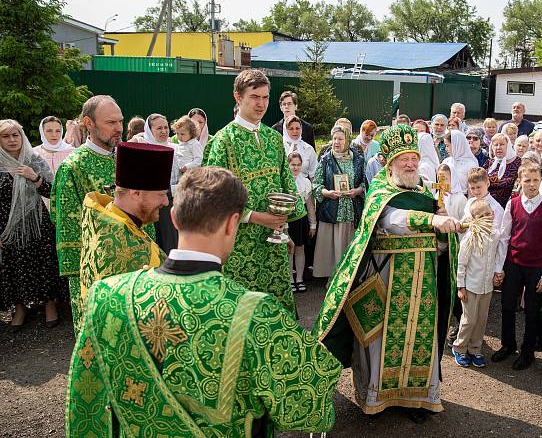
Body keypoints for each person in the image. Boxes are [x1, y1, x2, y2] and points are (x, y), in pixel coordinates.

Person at [65, 166, 342, 437]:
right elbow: (308, 411)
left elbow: (86, 404)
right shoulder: (256, 312)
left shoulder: (106, 297)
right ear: (233, 222)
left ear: (173, 218)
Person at [314, 124, 461, 423]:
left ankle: (417, 398)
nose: (409, 164)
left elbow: (441, 246)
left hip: (424, 281)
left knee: (421, 338)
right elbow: (393, 220)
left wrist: (446, 232)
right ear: (390, 161)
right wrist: (431, 220)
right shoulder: (381, 191)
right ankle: (378, 397)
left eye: (413, 158)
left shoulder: (425, 191)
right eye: (403, 159)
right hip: (387, 278)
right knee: (379, 340)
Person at [203, 70, 306, 314]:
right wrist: (257, 217)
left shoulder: (273, 139)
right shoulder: (223, 141)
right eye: (254, 97)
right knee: (242, 314)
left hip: (273, 243)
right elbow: (214, 197)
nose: (261, 104)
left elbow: (285, 187)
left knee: (274, 313)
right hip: (239, 246)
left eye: (265, 97)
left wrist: (286, 230)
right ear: (237, 97)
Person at [75, 142, 172, 334]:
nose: (166, 202)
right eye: (161, 194)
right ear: (136, 193)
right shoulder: (118, 244)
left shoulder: (110, 217)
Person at [52, 95, 122, 332]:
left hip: (132, 267)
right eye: (111, 123)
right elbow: (65, 223)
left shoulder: (127, 157)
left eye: (120, 122)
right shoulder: (73, 167)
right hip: (95, 272)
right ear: (88, 123)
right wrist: (79, 276)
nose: (119, 129)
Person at [492, 161, 542, 370]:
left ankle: (528, 351)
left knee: (532, 310)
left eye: (536, 180)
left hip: (536, 267)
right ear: (519, 182)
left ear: (541, 180)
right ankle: (508, 345)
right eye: (527, 181)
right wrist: (499, 267)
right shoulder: (513, 204)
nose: (532, 185)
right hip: (513, 263)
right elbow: (504, 237)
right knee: (507, 306)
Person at [0, 119, 62, 331]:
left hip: (37, 223)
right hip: (7, 227)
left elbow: (52, 192)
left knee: (44, 262)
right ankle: (20, 308)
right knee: (14, 266)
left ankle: (50, 305)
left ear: (22, 137)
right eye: (6, 136)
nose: (12, 140)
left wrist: (33, 177)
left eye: (15, 135)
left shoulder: (34, 160)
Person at [452, 192, 503, 369]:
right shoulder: (470, 238)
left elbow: (497, 255)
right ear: (473, 219)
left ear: (493, 214)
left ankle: (475, 349)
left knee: (481, 319)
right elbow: (462, 264)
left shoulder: (495, 235)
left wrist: (498, 271)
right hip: (471, 286)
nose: (486, 218)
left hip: (487, 286)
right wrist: (461, 286)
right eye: (481, 216)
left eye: (488, 214)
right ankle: (460, 347)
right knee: (469, 319)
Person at [312, 125, 366, 280]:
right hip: (332, 209)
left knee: (348, 244)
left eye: (340, 139)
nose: (336, 142)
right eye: (334, 138)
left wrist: (357, 191)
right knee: (331, 245)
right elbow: (316, 184)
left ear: (347, 140)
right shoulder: (326, 159)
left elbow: (365, 183)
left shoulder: (358, 160)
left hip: (351, 210)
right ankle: (333, 277)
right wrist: (327, 193)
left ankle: (348, 277)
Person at [133, 114, 180, 253]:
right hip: (148, 205)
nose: (164, 131)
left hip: (170, 203)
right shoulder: (143, 149)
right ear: (149, 130)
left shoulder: (175, 148)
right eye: (159, 128)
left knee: (170, 242)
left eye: (166, 127)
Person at [288, 152, 316, 293]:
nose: (296, 167)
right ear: (288, 165)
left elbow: (310, 205)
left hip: (301, 219)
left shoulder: (305, 182)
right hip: (288, 220)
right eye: (293, 164)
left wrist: (313, 224)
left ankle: (299, 278)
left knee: (300, 249)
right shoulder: (284, 181)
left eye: (298, 165)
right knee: (289, 249)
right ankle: (290, 279)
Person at [485, 133, 520, 207]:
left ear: (508, 146)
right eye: (495, 145)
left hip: (509, 205)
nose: (498, 147)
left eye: (502, 144)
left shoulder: (518, 162)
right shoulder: (490, 162)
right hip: (489, 205)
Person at [441, 129, 479, 196]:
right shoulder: (446, 162)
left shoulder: (471, 165)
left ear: (456, 145)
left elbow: (472, 190)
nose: (446, 149)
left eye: (447, 145)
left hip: (463, 200)